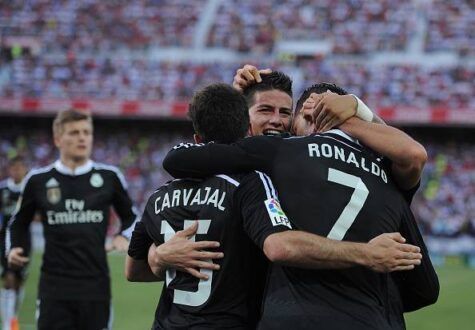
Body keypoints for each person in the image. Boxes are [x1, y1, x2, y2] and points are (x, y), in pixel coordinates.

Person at [126, 83, 423, 330]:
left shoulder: (281, 161)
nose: (277, 121)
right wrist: (159, 256)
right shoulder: (253, 175)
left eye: (285, 112)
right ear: (243, 120)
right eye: (265, 110)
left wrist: (354, 108)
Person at [7, 109, 139, 330]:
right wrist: (14, 249)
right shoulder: (38, 180)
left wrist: (123, 236)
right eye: (74, 132)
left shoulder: (109, 177)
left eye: (87, 132)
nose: (82, 138)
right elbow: (17, 223)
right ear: (58, 139)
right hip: (54, 289)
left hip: (95, 289)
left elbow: (132, 219)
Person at [0, 156, 28, 330]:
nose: (17, 171)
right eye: (14, 168)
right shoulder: (2, 189)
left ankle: (13, 317)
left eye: (20, 168)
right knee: (9, 279)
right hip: (5, 239)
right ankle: (7, 324)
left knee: (18, 283)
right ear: (10, 169)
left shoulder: (28, 189)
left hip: (25, 240)